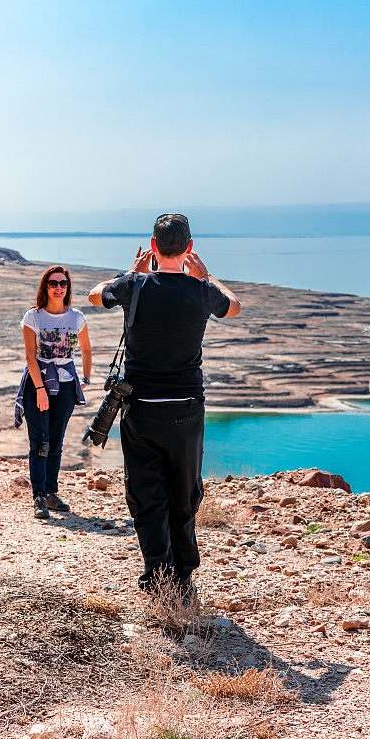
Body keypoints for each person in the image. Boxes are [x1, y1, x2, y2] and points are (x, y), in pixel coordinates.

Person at [87, 214, 240, 596]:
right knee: (185, 491)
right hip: (187, 408)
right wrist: (207, 278)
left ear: (153, 247)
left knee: (146, 492)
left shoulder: (135, 285)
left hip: (140, 407)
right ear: (188, 249)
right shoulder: (201, 290)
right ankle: (184, 575)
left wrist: (130, 271)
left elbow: (94, 295)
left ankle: (157, 575)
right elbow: (234, 306)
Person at [15, 265, 92, 519]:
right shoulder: (33, 317)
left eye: (63, 283)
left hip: (67, 385)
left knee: (56, 442)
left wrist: (86, 379)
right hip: (38, 383)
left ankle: (50, 492)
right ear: (45, 287)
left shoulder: (77, 317)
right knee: (40, 442)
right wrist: (39, 389)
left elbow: (86, 350)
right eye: (53, 283)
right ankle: (38, 496)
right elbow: (29, 355)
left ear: (68, 287)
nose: (58, 287)